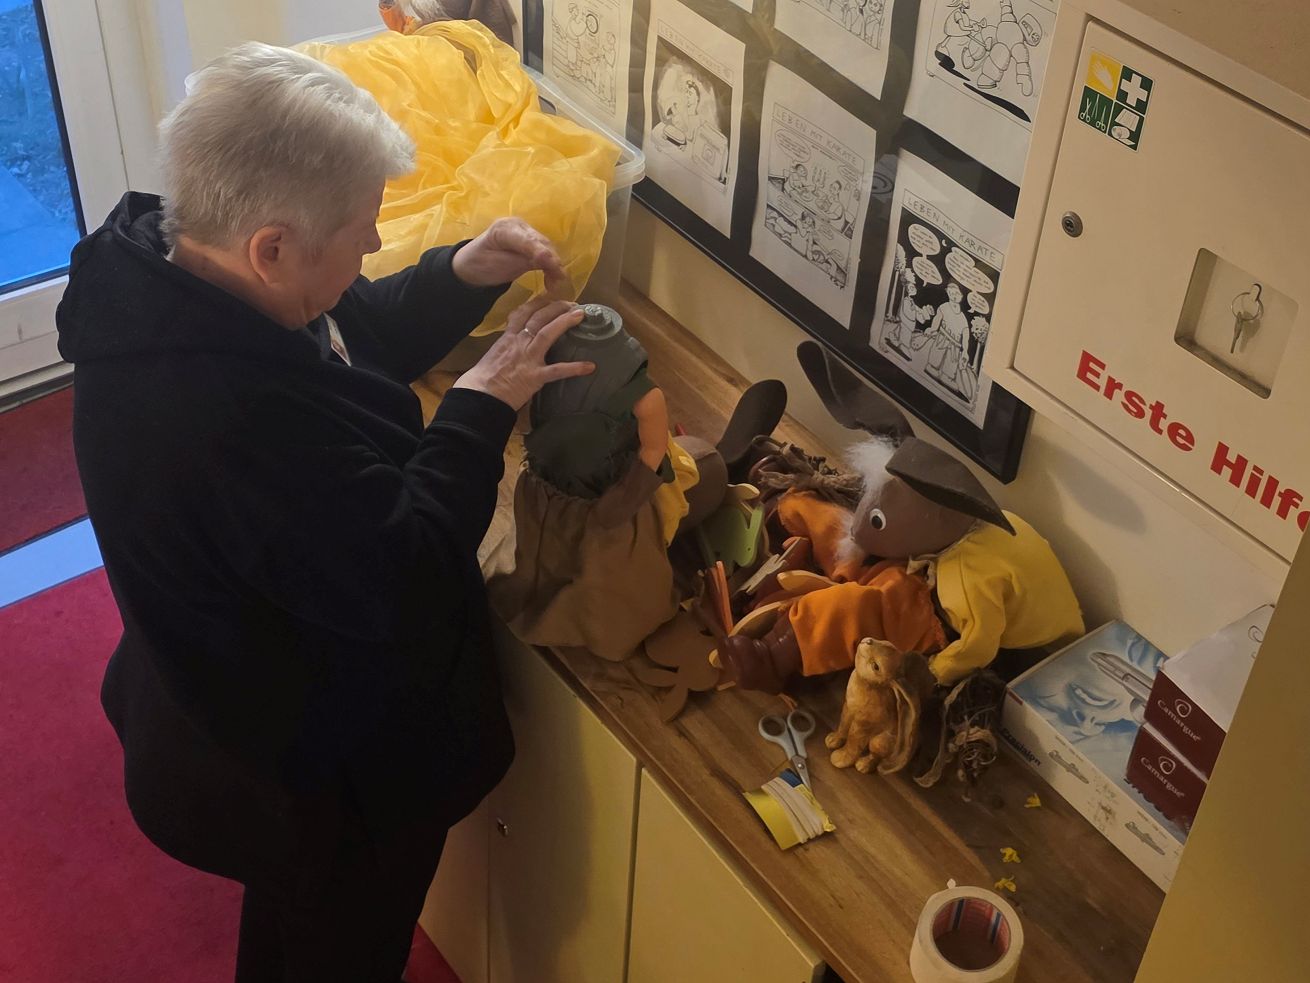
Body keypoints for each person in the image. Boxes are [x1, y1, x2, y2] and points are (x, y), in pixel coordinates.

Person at [55, 43, 593, 983]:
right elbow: (404, 569)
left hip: (232, 689)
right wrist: (479, 405)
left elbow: (345, 330)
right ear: (271, 247)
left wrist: (461, 271)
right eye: (359, 228)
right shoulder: (220, 419)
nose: (374, 244)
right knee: (334, 943)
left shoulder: (183, 275)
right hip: (309, 770)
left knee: (303, 927)